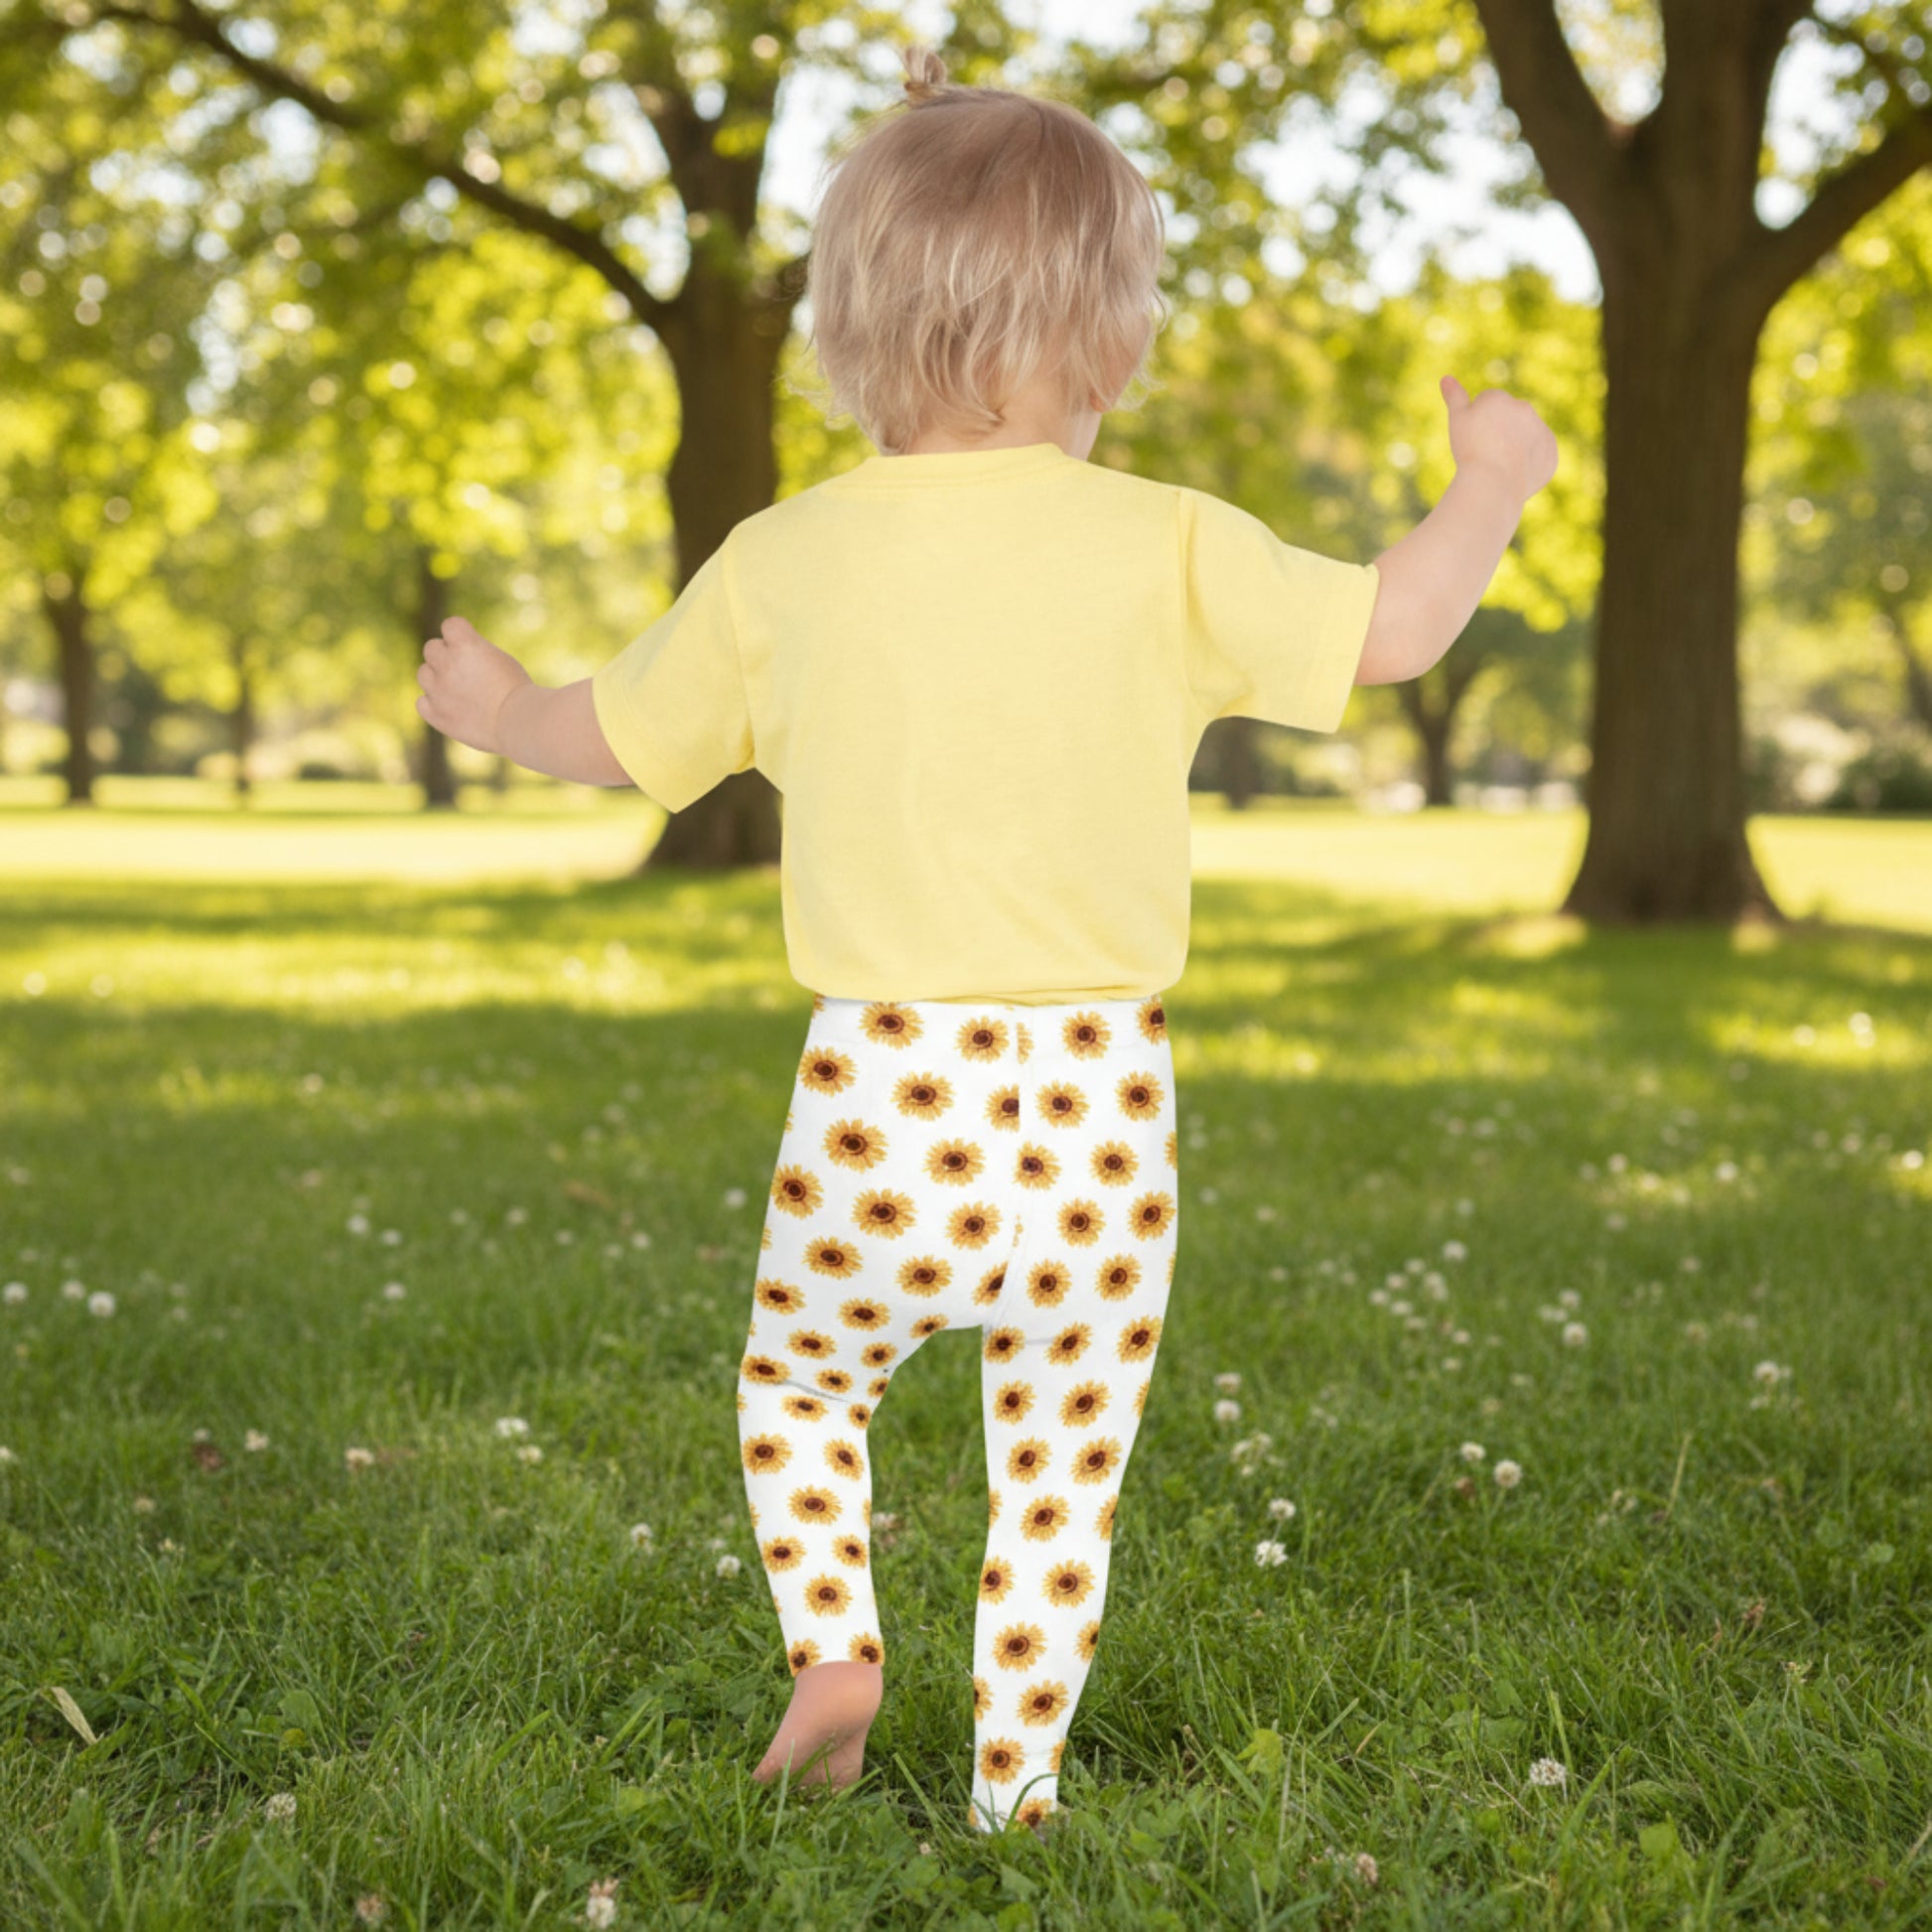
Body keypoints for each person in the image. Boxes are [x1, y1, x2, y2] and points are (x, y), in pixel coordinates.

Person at [414, 40, 1557, 1837]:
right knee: (1058, 1471)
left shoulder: (784, 557)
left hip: (885, 1086)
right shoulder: (1168, 543)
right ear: (1108, 340)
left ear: (850, 334)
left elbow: (615, 744)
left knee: (801, 1380)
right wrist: (1489, 473)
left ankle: (837, 1641)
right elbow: (1402, 625)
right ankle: (1014, 1786)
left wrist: (492, 708)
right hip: (1102, 1099)